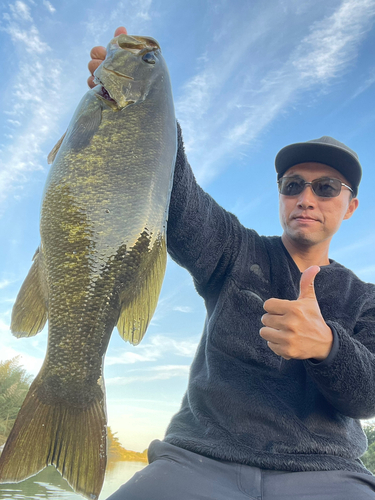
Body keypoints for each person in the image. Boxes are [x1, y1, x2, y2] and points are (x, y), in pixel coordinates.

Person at [89, 28, 375, 500]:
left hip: (326, 473)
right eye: (292, 184)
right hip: (197, 460)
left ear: (350, 207)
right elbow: (178, 199)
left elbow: (367, 397)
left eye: (325, 188)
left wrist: (328, 347)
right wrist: (142, 102)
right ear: (281, 195)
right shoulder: (235, 249)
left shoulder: (364, 298)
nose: (306, 197)